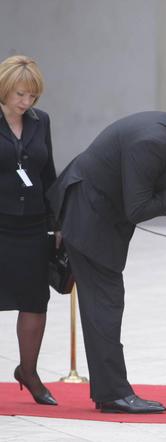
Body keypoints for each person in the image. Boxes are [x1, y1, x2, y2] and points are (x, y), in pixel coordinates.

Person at [47, 110, 166, 413]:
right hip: (89, 217)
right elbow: (136, 207)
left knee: (106, 305)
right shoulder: (152, 141)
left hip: (98, 215)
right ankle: (113, 395)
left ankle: (109, 392)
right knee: (105, 306)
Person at [0, 55, 57, 406]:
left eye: (32, 96)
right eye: (21, 94)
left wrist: (58, 222)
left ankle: (29, 371)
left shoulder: (40, 121)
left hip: (34, 223)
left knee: (35, 300)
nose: (27, 102)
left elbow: (47, 171)